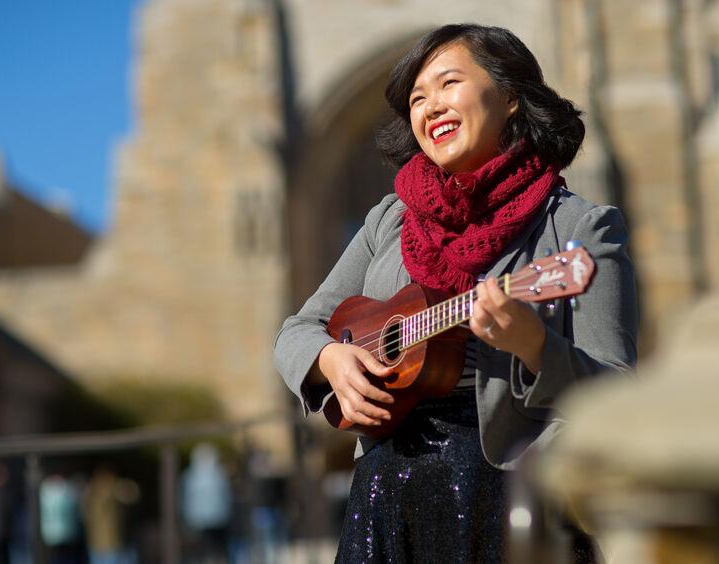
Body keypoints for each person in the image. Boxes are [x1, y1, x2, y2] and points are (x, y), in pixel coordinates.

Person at [273, 23, 638, 562]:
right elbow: (295, 332)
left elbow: (617, 387)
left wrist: (537, 345)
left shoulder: (581, 227)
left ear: (511, 96)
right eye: (417, 98)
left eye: (448, 84)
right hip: (386, 496)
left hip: (513, 494)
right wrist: (329, 360)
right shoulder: (389, 221)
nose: (430, 107)